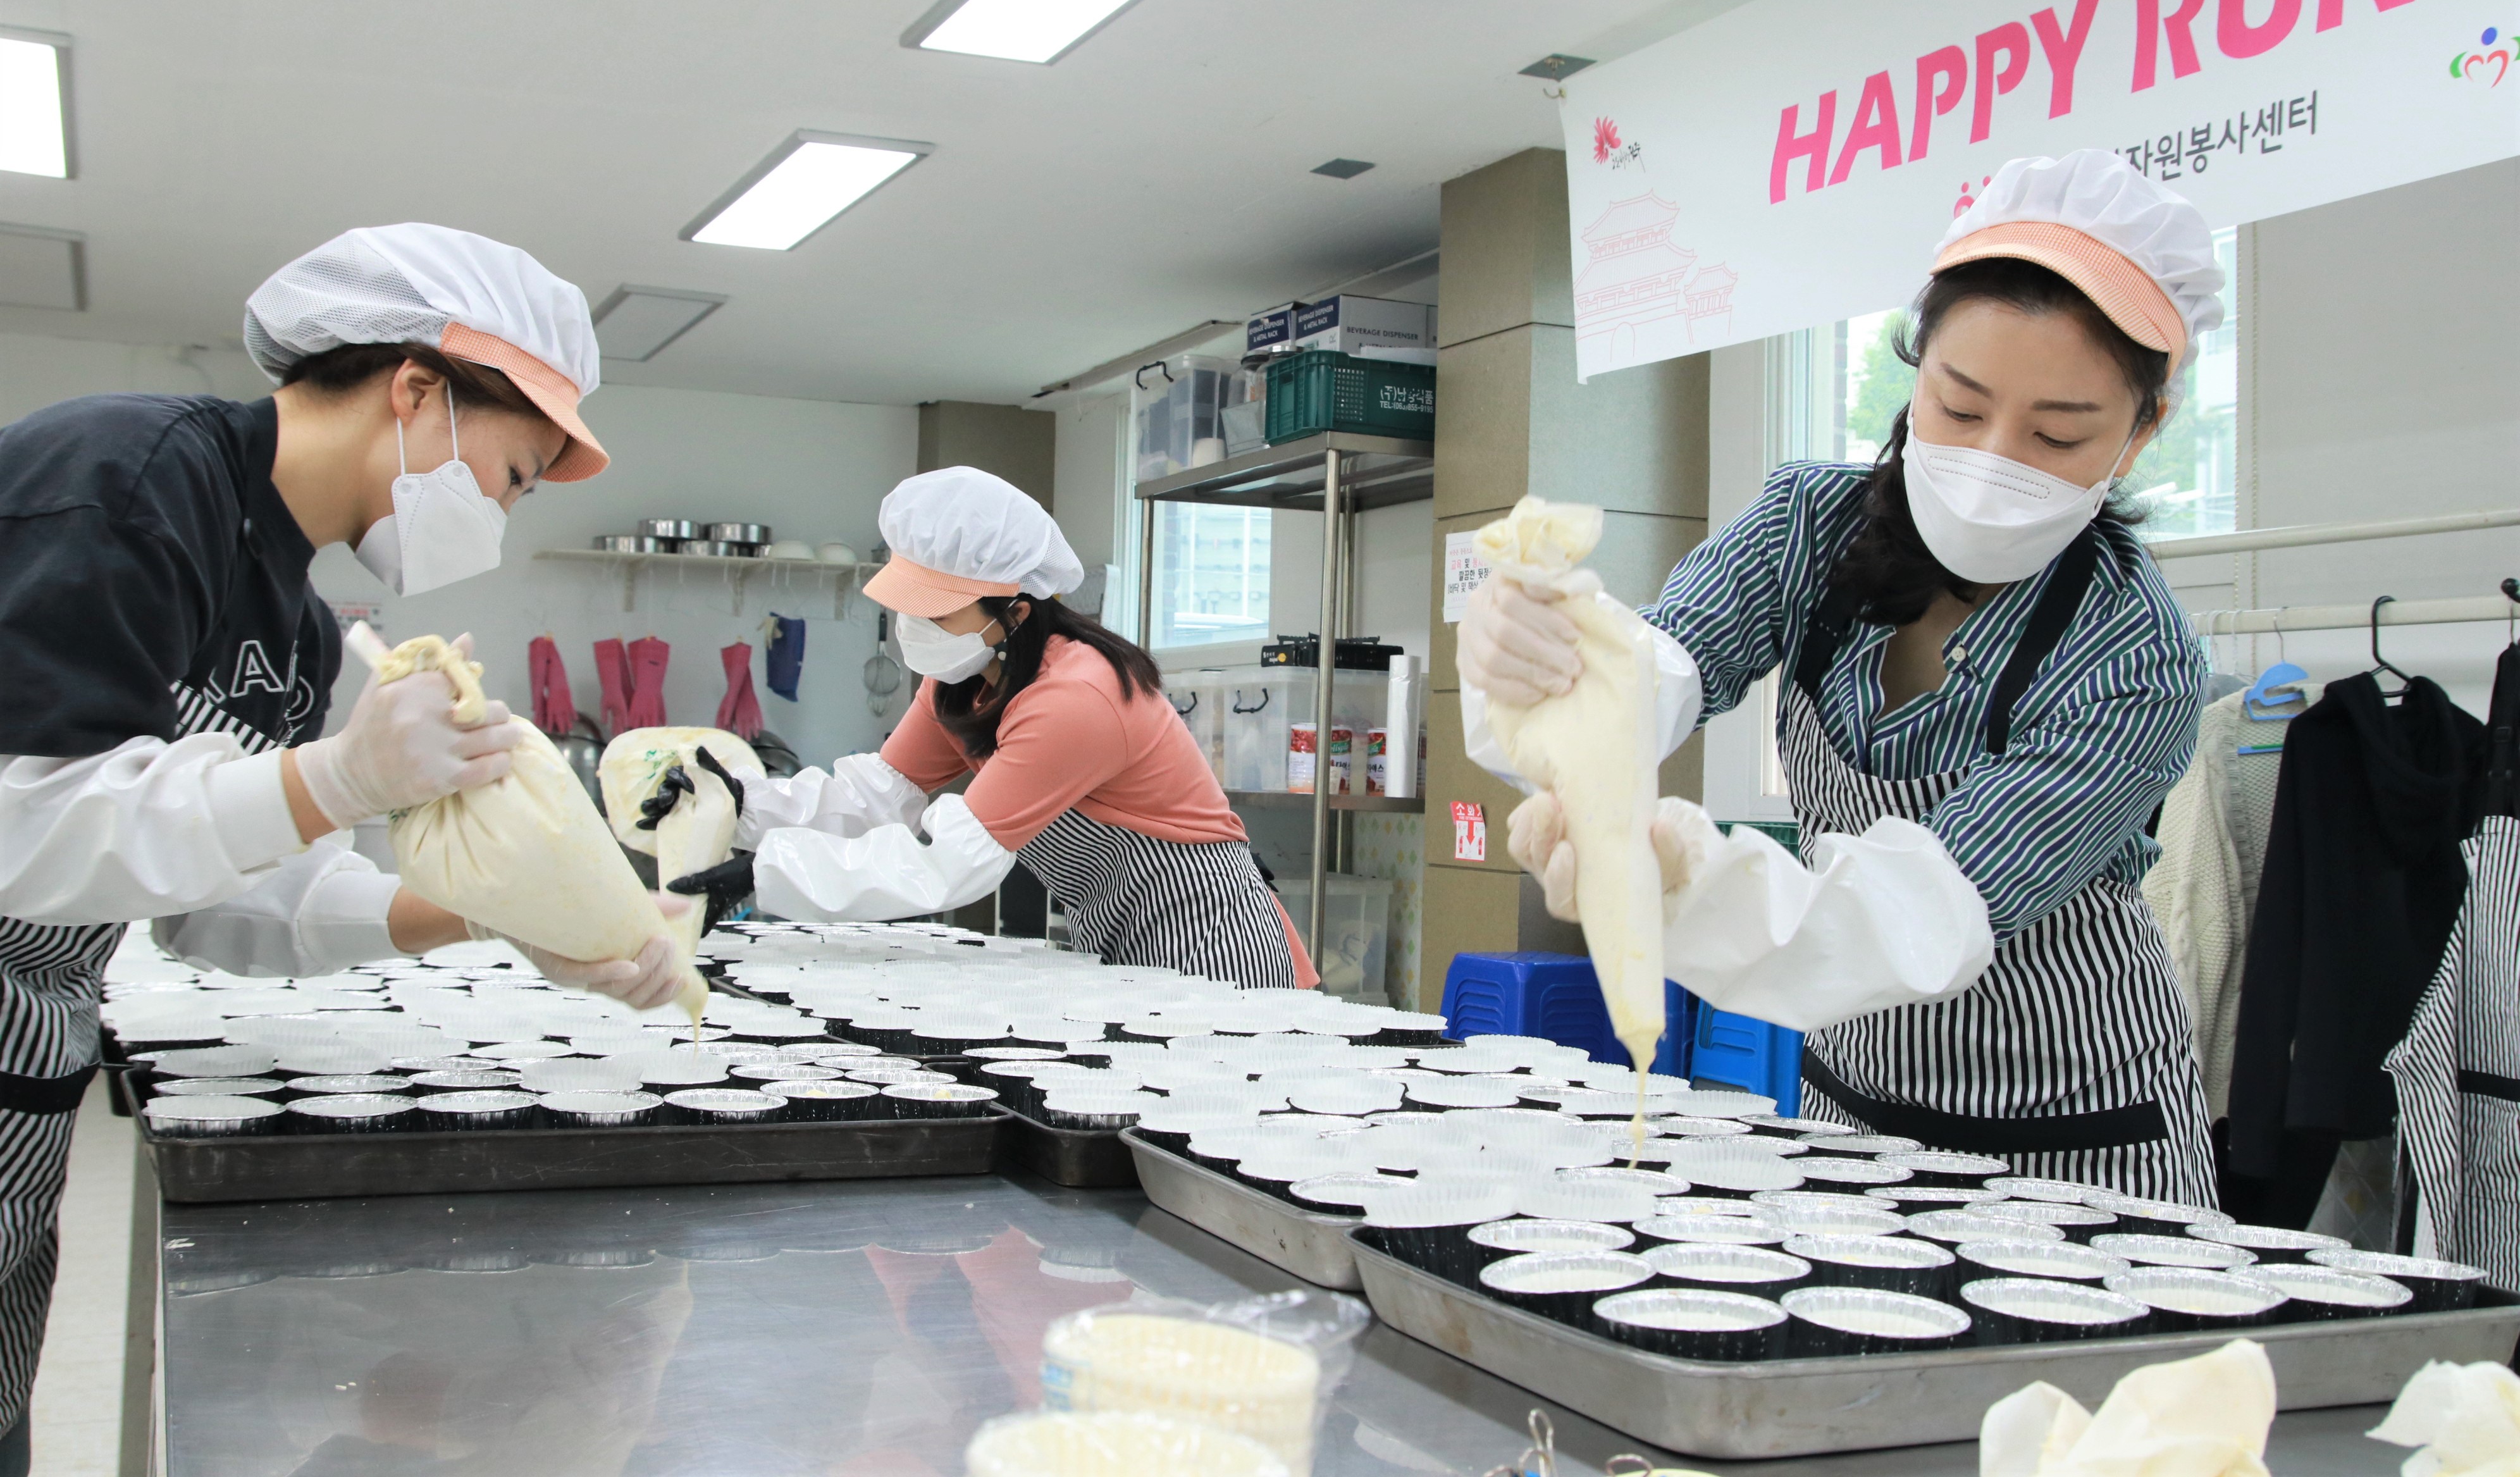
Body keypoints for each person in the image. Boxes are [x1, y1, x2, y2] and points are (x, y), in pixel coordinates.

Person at [0, 224, 677, 1473]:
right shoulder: (129, 481)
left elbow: (221, 901)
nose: (500, 515)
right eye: (513, 476)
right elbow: (27, 824)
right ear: (415, 390)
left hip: (26, 1068)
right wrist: (336, 776)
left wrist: (498, 910)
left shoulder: (298, 629)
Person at [1461, 150, 2224, 1204]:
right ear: (1914, 370)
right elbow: (1658, 670)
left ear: (2141, 433)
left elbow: (1921, 911)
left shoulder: (2135, 655)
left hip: (2080, 1141)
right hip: (1852, 1110)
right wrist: (1547, 675)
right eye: (1959, 408)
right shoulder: (1807, 525)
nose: (1993, 461)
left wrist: (1688, 885)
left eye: (2057, 434)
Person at [673, 467, 1316, 989]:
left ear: (1016, 612)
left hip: (1210, 943)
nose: (913, 628)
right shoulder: (965, 677)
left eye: (937, 613)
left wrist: (763, 872)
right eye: (908, 608)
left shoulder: (1075, 698)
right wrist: (736, 805)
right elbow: (876, 796)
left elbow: (946, 862)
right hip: (1112, 935)